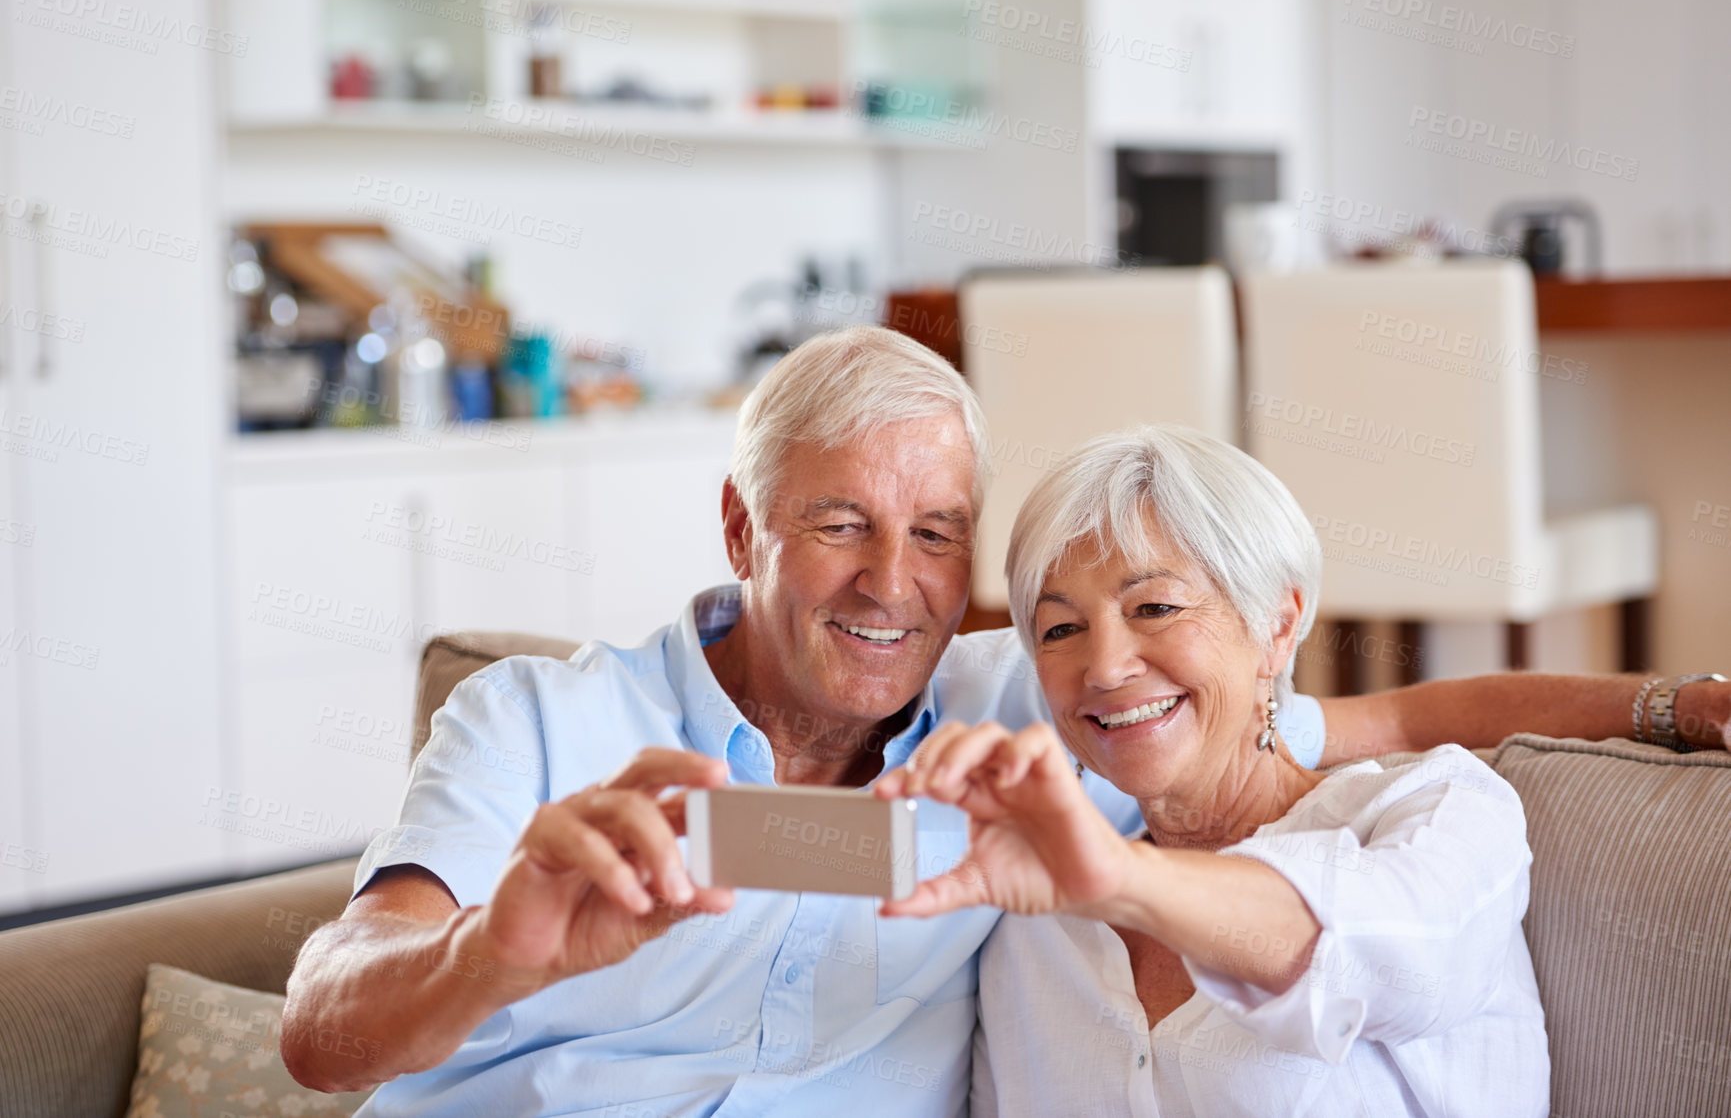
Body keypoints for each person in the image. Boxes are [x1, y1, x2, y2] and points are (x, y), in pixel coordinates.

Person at [281, 330, 1728, 1116]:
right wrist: (490, 951)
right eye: (837, 522)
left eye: (934, 536)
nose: (890, 584)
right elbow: (326, 1027)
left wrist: (1667, 702)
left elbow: (1394, 718)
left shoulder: (1033, 731)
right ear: (740, 523)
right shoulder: (541, 718)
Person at [875, 424, 1705, 1115]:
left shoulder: (1440, 812)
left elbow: (1380, 957)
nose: (1103, 665)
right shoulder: (1032, 924)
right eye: (1059, 630)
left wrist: (1116, 877)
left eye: (1154, 607)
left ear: (1278, 626)